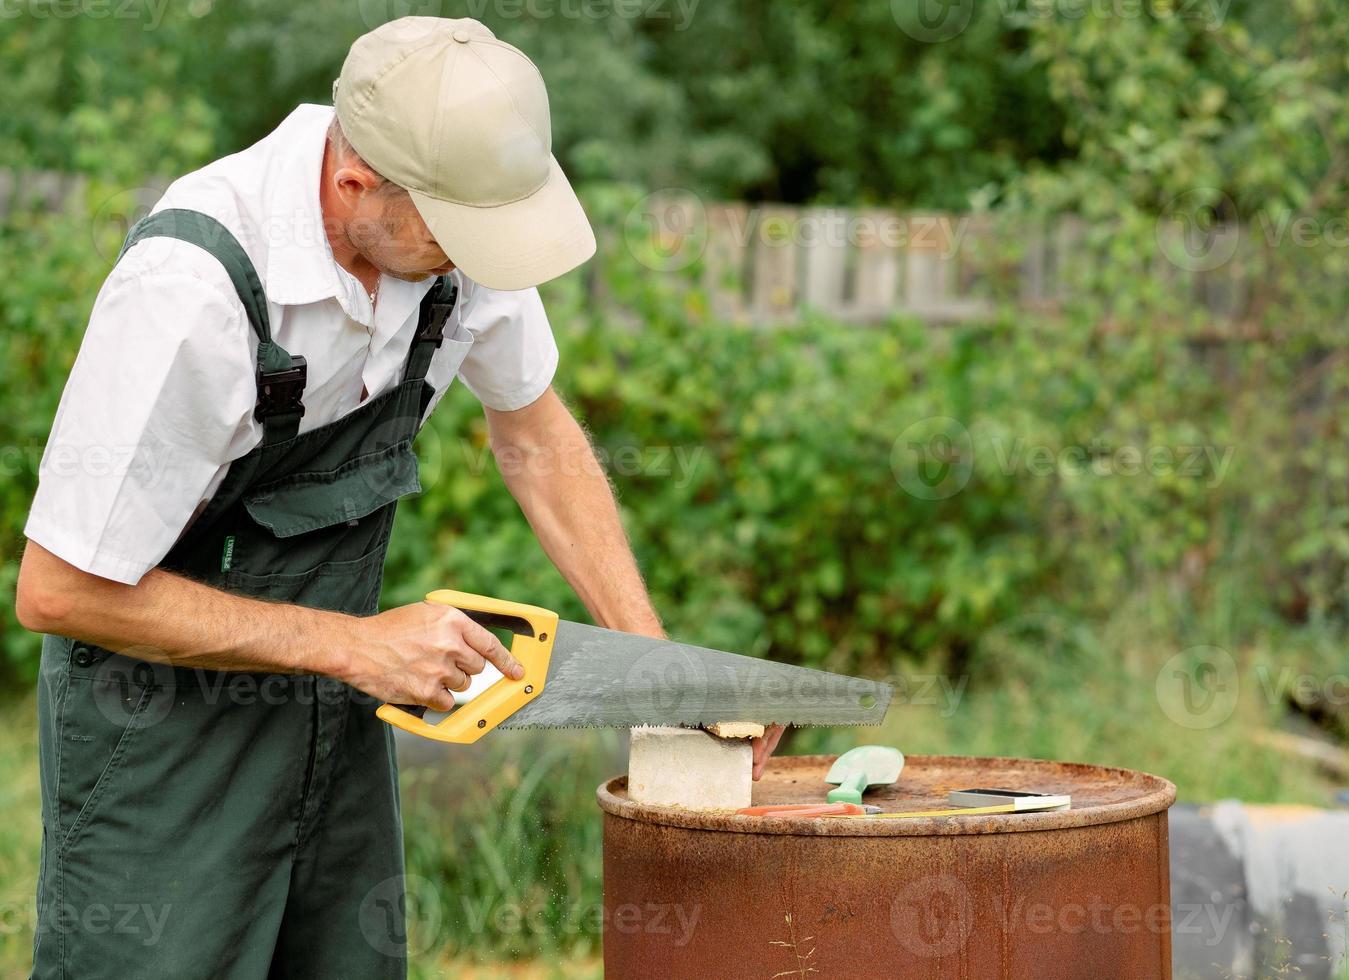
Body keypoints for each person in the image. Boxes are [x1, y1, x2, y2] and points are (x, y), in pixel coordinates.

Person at [16, 17, 781, 978]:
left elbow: (536, 436)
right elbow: (57, 591)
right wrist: (356, 644)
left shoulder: (451, 239)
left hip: (331, 726)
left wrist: (657, 667)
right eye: (455, 238)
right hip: (159, 739)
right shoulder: (194, 289)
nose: (471, 262)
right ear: (354, 187)